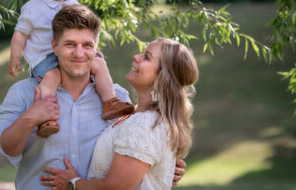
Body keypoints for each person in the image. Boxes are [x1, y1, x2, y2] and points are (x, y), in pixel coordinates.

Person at [0, 5, 186, 189]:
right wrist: (29, 119)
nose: (79, 53)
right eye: (70, 44)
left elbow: (137, 148)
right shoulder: (25, 93)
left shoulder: (117, 99)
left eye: (87, 45)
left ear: (96, 49)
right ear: (54, 47)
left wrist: (163, 165)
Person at [7, 0, 133, 137]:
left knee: (99, 64)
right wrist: (15, 57)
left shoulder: (74, 6)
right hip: (44, 58)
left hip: (71, 53)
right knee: (52, 77)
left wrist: (93, 50)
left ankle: (110, 102)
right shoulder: (33, 8)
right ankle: (46, 117)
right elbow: (20, 34)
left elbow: (90, 30)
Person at [40, 37, 198, 190]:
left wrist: (73, 183)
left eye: (146, 57)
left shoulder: (146, 123)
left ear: (161, 79)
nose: (136, 57)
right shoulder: (133, 113)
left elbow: (116, 187)